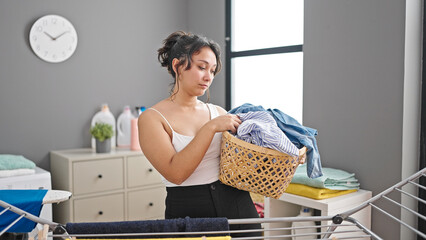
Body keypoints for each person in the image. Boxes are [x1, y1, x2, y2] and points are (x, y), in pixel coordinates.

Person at [138, 31, 261, 237]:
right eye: (201, 67)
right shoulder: (152, 118)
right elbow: (176, 174)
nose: (208, 77)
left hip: (238, 207)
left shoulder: (218, 112)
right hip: (188, 212)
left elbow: (240, 162)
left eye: (212, 70)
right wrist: (210, 128)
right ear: (177, 66)